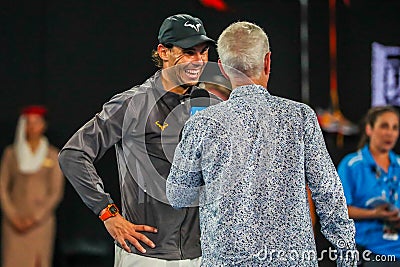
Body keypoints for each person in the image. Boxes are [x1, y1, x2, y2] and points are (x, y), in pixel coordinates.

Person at [166, 21, 357, 266]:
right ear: (267, 61)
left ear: (223, 69)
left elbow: (178, 196)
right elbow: (328, 192)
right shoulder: (299, 117)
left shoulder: (203, 123)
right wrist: (346, 255)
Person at [58, 14, 225, 266]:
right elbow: (73, 154)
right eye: (189, 52)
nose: (199, 61)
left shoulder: (211, 105)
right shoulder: (132, 103)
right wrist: (108, 214)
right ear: (163, 52)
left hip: (200, 256)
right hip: (146, 256)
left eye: (203, 52)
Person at [0, 105, 64, 267]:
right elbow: (2, 187)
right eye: (28, 122)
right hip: (13, 221)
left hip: (40, 222)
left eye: (36, 122)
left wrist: (35, 218)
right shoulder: (12, 154)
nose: (32, 127)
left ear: (44, 125)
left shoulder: (52, 155)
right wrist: (13, 215)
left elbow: (56, 191)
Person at [338, 106, 400, 266]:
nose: (390, 133)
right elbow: (340, 210)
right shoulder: (351, 165)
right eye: (384, 126)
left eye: (395, 127)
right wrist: (375, 213)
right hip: (369, 250)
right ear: (369, 129)